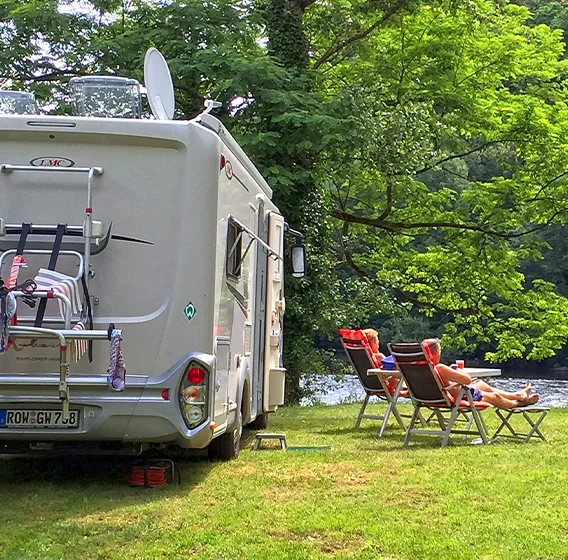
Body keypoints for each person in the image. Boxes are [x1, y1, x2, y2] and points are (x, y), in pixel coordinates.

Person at [422, 338, 539, 409]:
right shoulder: (440, 368)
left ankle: (518, 395)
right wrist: (458, 371)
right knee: (495, 397)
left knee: (482, 384)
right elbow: (467, 379)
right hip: (460, 397)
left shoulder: (417, 369)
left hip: (438, 396)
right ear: (436, 352)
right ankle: (519, 403)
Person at [363, 328, 399, 393]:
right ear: (371, 343)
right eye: (376, 341)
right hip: (387, 386)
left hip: (371, 386)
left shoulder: (364, 358)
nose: (378, 342)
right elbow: (390, 366)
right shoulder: (378, 356)